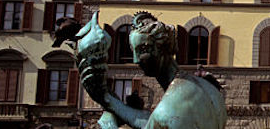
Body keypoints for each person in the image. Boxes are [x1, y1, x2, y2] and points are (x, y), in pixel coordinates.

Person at [78, 11, 226, 129]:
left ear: (163, 47)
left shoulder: (169, 109)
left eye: (143, 50)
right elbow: (155, 122)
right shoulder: (206, 88)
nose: (136, 60)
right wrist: (110, 101)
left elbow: (162, 119)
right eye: (133, 51)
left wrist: (108, 123)